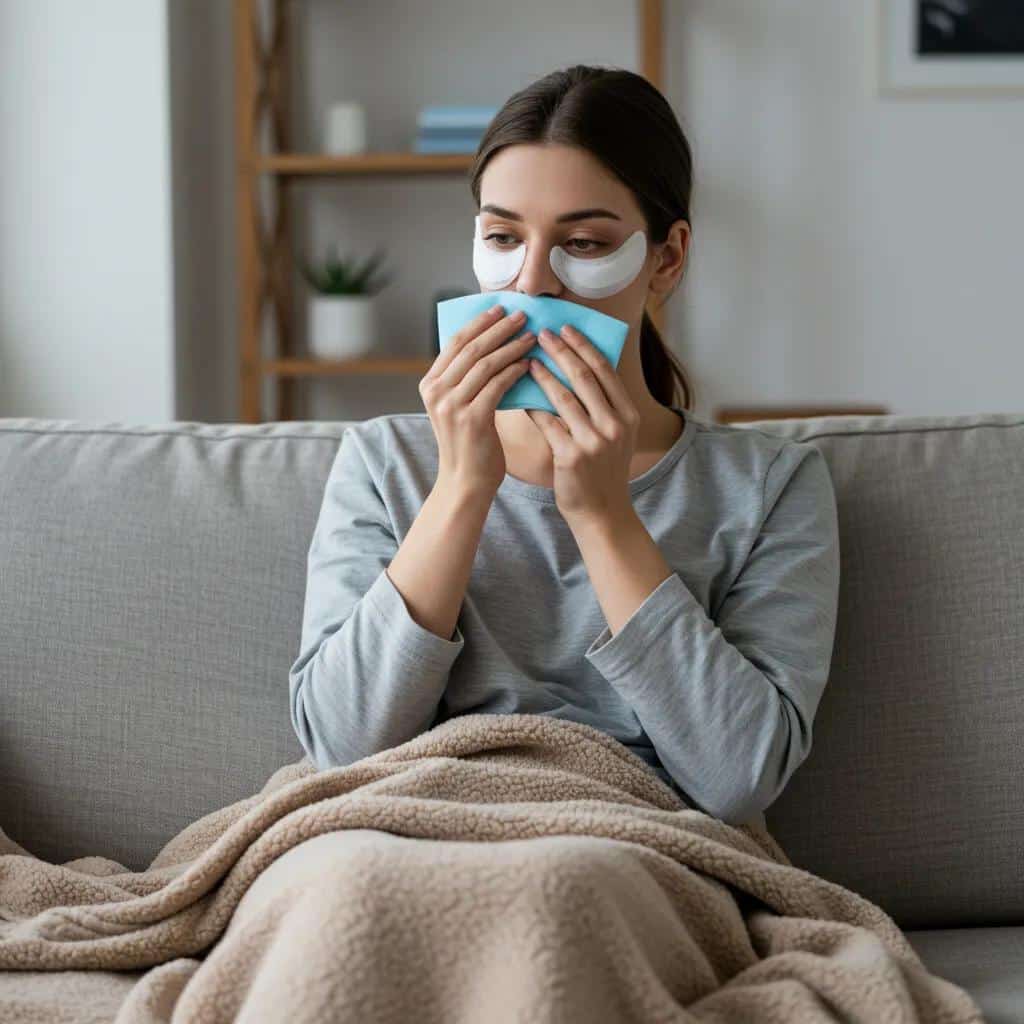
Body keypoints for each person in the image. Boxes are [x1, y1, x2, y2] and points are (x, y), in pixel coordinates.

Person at [288, 65, 841, 830]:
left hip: (628, 844)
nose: (531, 281)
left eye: (583, 242)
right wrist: (460, 488)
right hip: (407, 830)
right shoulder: (383, 463)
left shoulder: (771, 487)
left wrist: (605, 516)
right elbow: (341, 749)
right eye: (502, 237)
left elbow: (740, 776)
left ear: (667, 259)